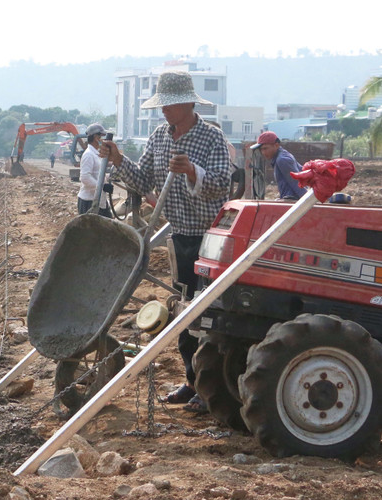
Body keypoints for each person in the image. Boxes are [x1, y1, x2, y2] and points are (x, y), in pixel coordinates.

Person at [100, 71, 230, 414]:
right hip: (181, 236)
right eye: (162, 106)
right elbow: (144, 180)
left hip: (212, 237)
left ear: (188, 103)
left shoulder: (212, 138)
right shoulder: (159, 138)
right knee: (184, 311)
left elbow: (221, 186)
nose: (164, 112)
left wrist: (191, 171)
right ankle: (191, 380)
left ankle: (210, 386)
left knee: (209, 315)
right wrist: (118, 159)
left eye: (170, 105)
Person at [250, 131, 306, 200]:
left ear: (276, 145)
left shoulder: (282, 160)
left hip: (292, 201)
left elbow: (298, 185)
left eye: (265, 148)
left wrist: (308, 203)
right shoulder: (282, 156)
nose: (263, 152)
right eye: (261, 149)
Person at [77, 123, 112, 217]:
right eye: (102, 137)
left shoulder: (97, 154)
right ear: (96, 137)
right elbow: (85, 178)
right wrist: (102, 187)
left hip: (100, 201)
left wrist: (110, 177)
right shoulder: (88, 155)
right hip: (89, 202)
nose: (104, 140)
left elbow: (98, 174)